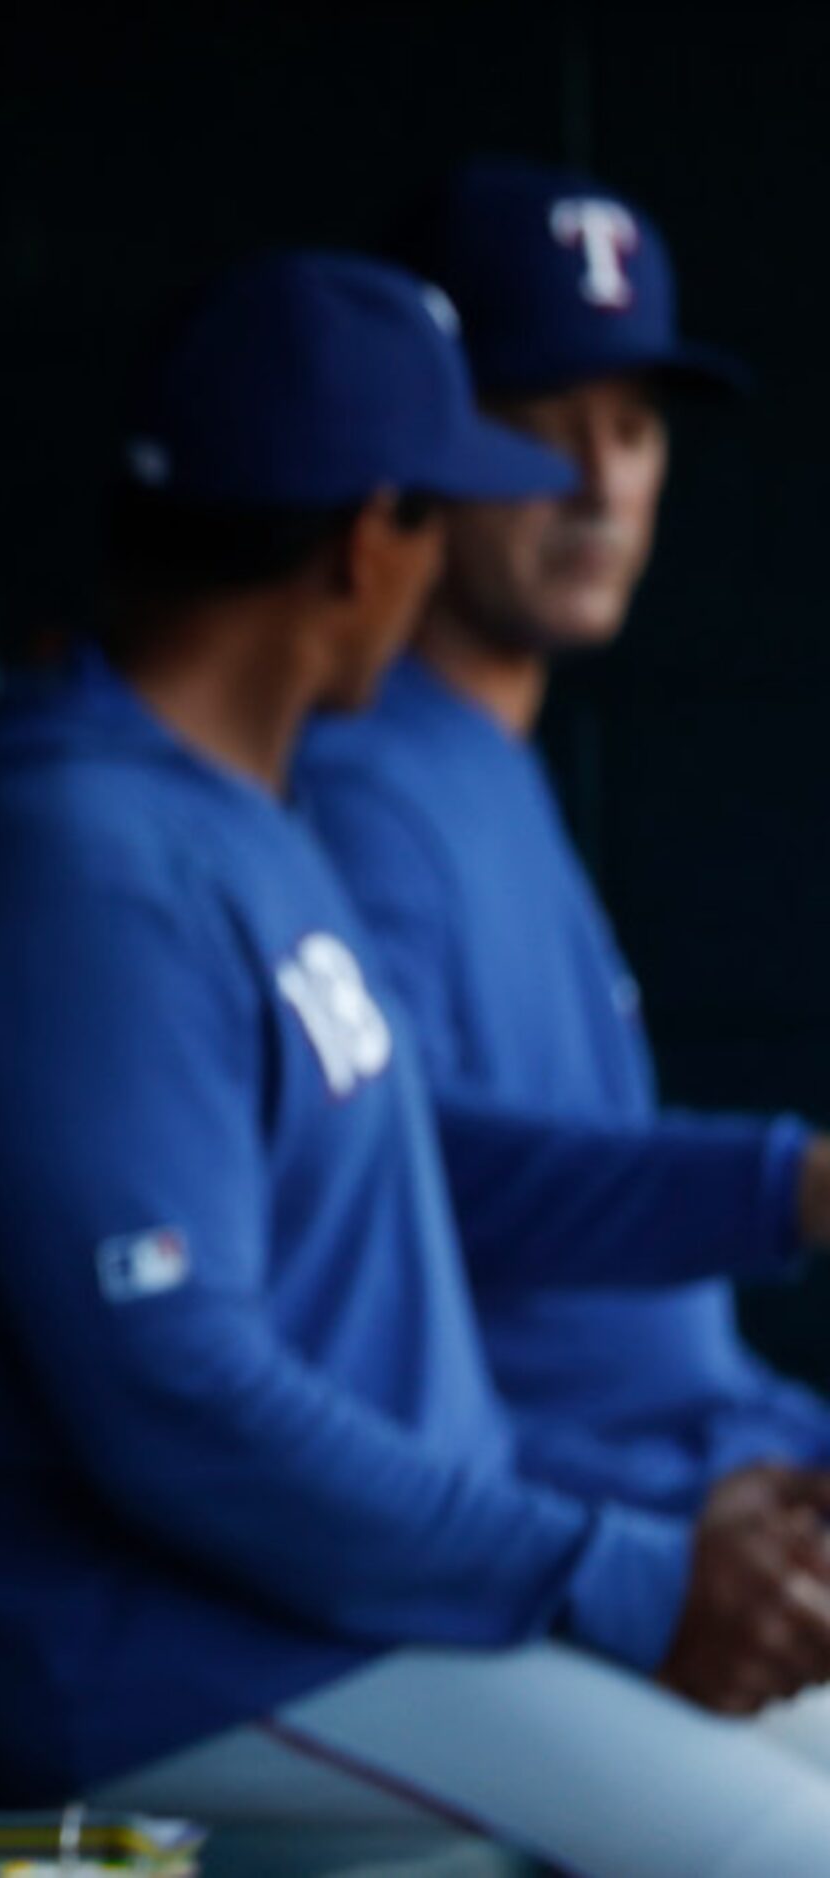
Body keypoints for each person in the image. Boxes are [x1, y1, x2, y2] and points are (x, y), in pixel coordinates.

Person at [0, 250, 830, 1874]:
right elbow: (179, 1399)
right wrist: (612, 1565)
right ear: (373, 542)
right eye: (440, 517)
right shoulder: (72, 860)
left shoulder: (231, 802)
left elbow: (425, 1169)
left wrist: (776, 1186)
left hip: (370, 1608)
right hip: (179, 1660)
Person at [295, 158, 830, 1520]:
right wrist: (787, 1183)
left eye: (635, 428)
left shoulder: (487, 755)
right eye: (542, 421)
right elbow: (402, 1173)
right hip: (549, 1526)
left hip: (692, 1473)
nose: (599, 483)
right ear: (426, 453)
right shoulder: (356, 786)